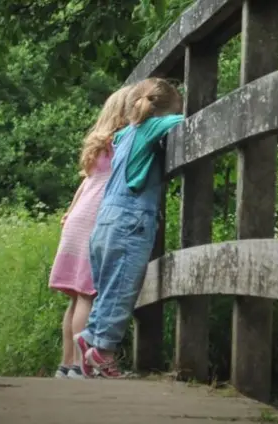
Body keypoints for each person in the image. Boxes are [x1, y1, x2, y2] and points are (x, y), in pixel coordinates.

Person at [74, 77, 184, 378]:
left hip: (105, 219)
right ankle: (103, 350)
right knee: (122, 290)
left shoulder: (123, 136)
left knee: (107, 287)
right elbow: (185, 121)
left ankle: (90, 339)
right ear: (161, 110)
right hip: (131, 218)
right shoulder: (153, 127)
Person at [48, 84, 133, 379]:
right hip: (93, 222)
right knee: (87, 295)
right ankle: (78, 366)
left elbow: (85, 183)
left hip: (77, 220)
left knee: (75, 298)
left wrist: (70, 212)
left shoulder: (98, 145)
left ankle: (66, 364)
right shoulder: (118, 144)